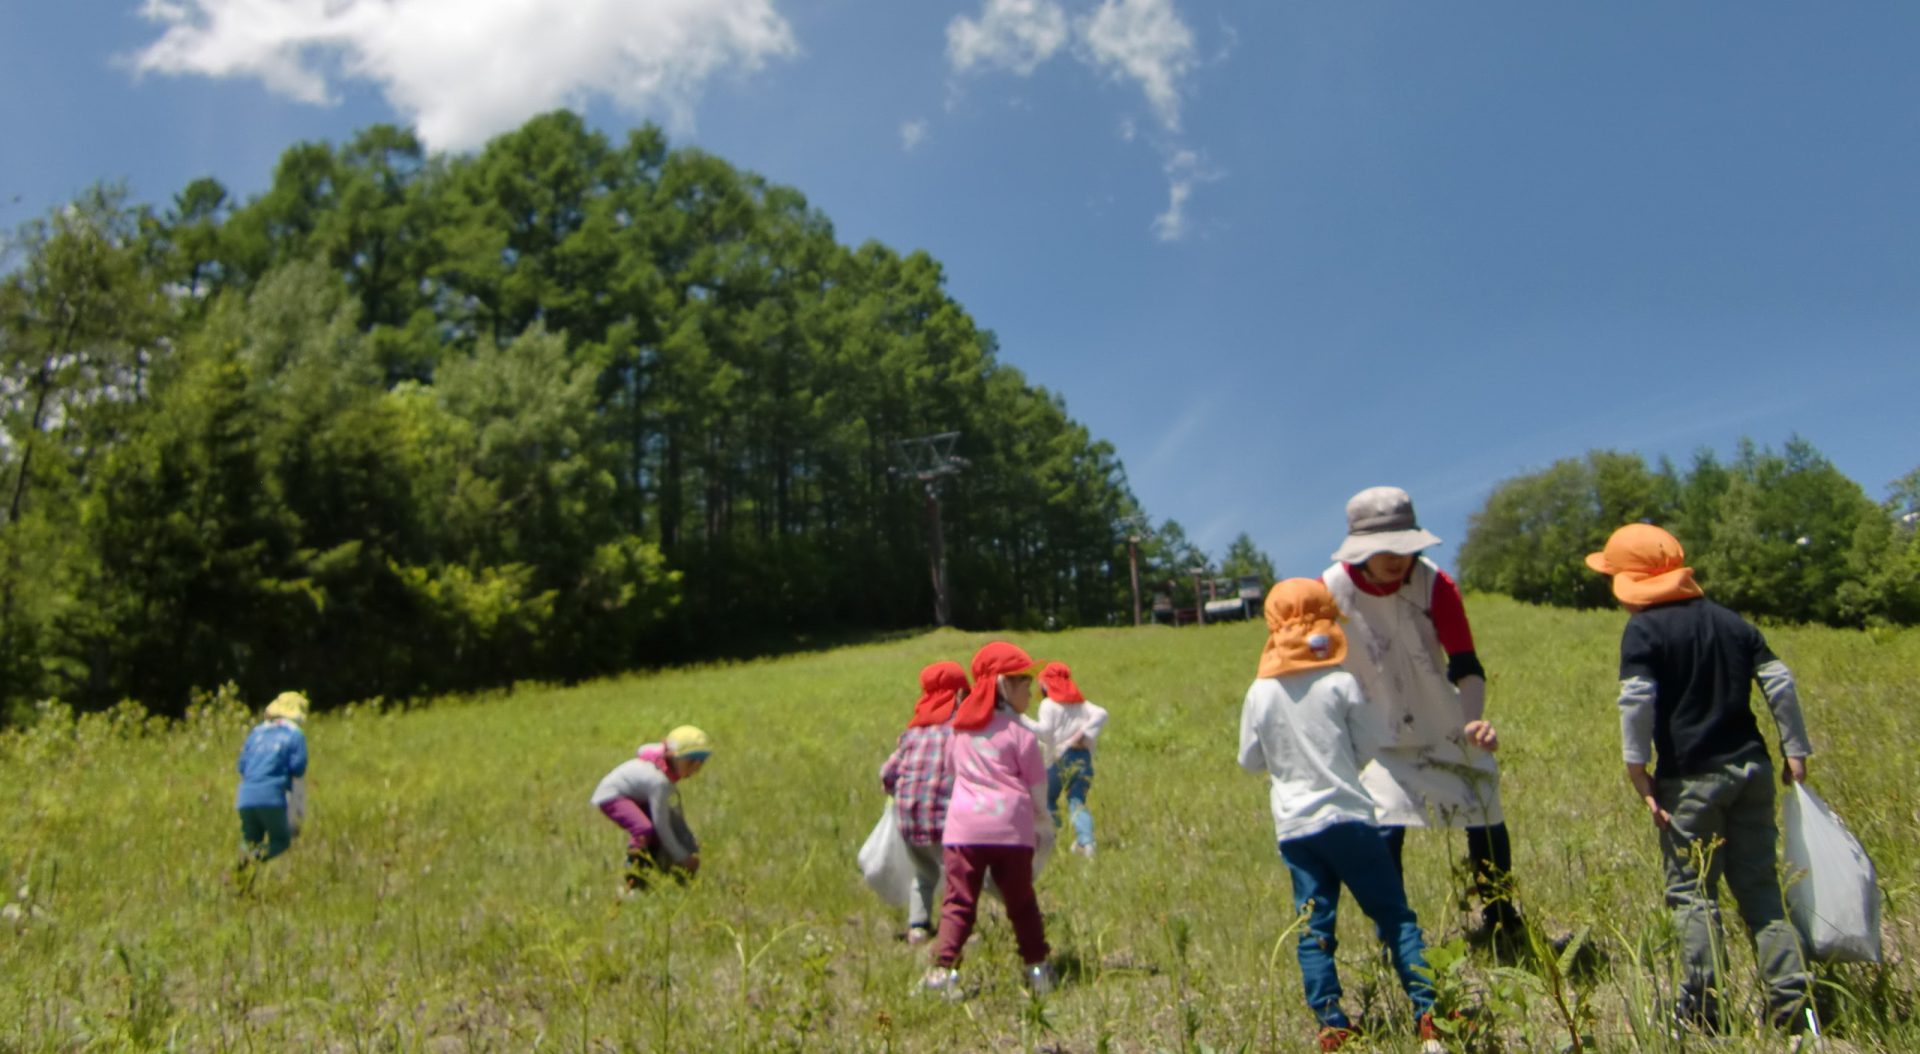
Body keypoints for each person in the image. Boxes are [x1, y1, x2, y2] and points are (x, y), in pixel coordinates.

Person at [1586, 524, 1813, 1034]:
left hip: (1690, 781)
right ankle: (1794, 1004)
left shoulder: (1644, 631)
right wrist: (1794, 749)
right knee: (1761, 889)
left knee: (1692, 894)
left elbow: (1637, 698)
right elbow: (1779, 680)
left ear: (1631, 581)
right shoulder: (1730, 621)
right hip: (1752, 770)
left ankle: (1704, 1011)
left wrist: (1636, 766)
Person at [1239, 579, 1444, 1053]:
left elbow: (1249, 760)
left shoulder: (1260, 693)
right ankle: (1430, 1016)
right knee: (1395, 917)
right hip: (1350, 818)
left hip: (1296, 830)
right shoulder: (1341, 683)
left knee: (1313, 929)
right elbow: (1369, 744)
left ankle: (1332, 1025)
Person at [1321, 485, 1520, 940]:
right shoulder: (1328, 593)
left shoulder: (1436, 585)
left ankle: (1500, 915)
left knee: (1484, 809)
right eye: (1384, 549)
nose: (1396, 558)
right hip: (1376, 729)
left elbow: (1466, 663)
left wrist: (1473, 721)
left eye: (1403, 546)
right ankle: (1395, 931)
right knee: (1384, 827)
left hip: (1444, 722)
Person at [922, 641, 1056, 1000]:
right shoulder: (1021, 734)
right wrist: (1044, 824)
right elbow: (1038, 791)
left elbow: (952, 771)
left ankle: (942, 972)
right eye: (1024, 681)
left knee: (958, 903)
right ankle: (1037, 969)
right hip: (1011, 831)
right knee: (1021, 903)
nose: (1030, 689)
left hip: (963, 830)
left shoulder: (960, 731)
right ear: (1003, 685)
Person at [879, 661, 969, 943]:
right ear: (959, 696)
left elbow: (887, 774)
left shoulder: (911, 735)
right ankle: (957, 929)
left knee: (924, 872)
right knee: (960, 876)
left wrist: (897, 792)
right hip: (947, 822)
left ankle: (918, 926)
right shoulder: (959, 732)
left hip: (910, 821)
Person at [590, 725, 712, 890]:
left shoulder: (664, 763)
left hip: (635, 795)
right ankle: (633, 878)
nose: (695, 769)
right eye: (690, 762)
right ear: (673, 757)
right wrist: (682, 857)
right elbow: (662, 825)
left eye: (700, 763)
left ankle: (652, 874)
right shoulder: (659, 782)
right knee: (644, 829)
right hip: (612, 795)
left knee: (654, 836)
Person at [1035, 661, 1109, 858]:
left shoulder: (1048, 705)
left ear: (1045, 684)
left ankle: (1051, 838)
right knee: (1077, 801)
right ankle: (1086, 842)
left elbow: (1046, 733)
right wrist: (1084, 734)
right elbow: (1102, 713)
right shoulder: (1082, 704)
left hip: (1059, 759)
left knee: (1048, 799)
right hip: (1083, 758)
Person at [235, 691, 311, 863]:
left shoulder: (256, 732)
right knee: (281, 841)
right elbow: (298, 768)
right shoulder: (295, 734)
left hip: (245, 796)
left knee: (250, 842)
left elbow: (242, 766)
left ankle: (241, 869)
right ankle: (255, 859)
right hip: (272, 796)